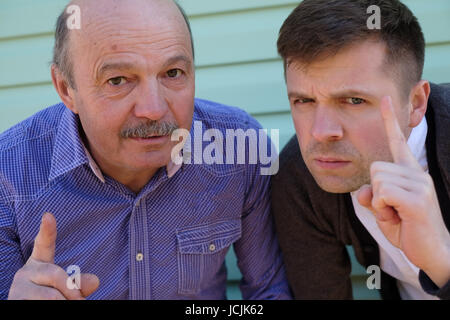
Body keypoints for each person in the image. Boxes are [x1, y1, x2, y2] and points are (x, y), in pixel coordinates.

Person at [0, 0, 291, 300]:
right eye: (117, 80)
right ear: (65, 89)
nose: (153, 109)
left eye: (173, 73)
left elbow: (268, 293)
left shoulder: (238, 150)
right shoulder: (7, 174)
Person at [272, 0, 450, 299]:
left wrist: (440, 258)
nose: (321, 132)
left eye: (354, 101)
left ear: (416, 103)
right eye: (304, 101)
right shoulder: (298, 175)